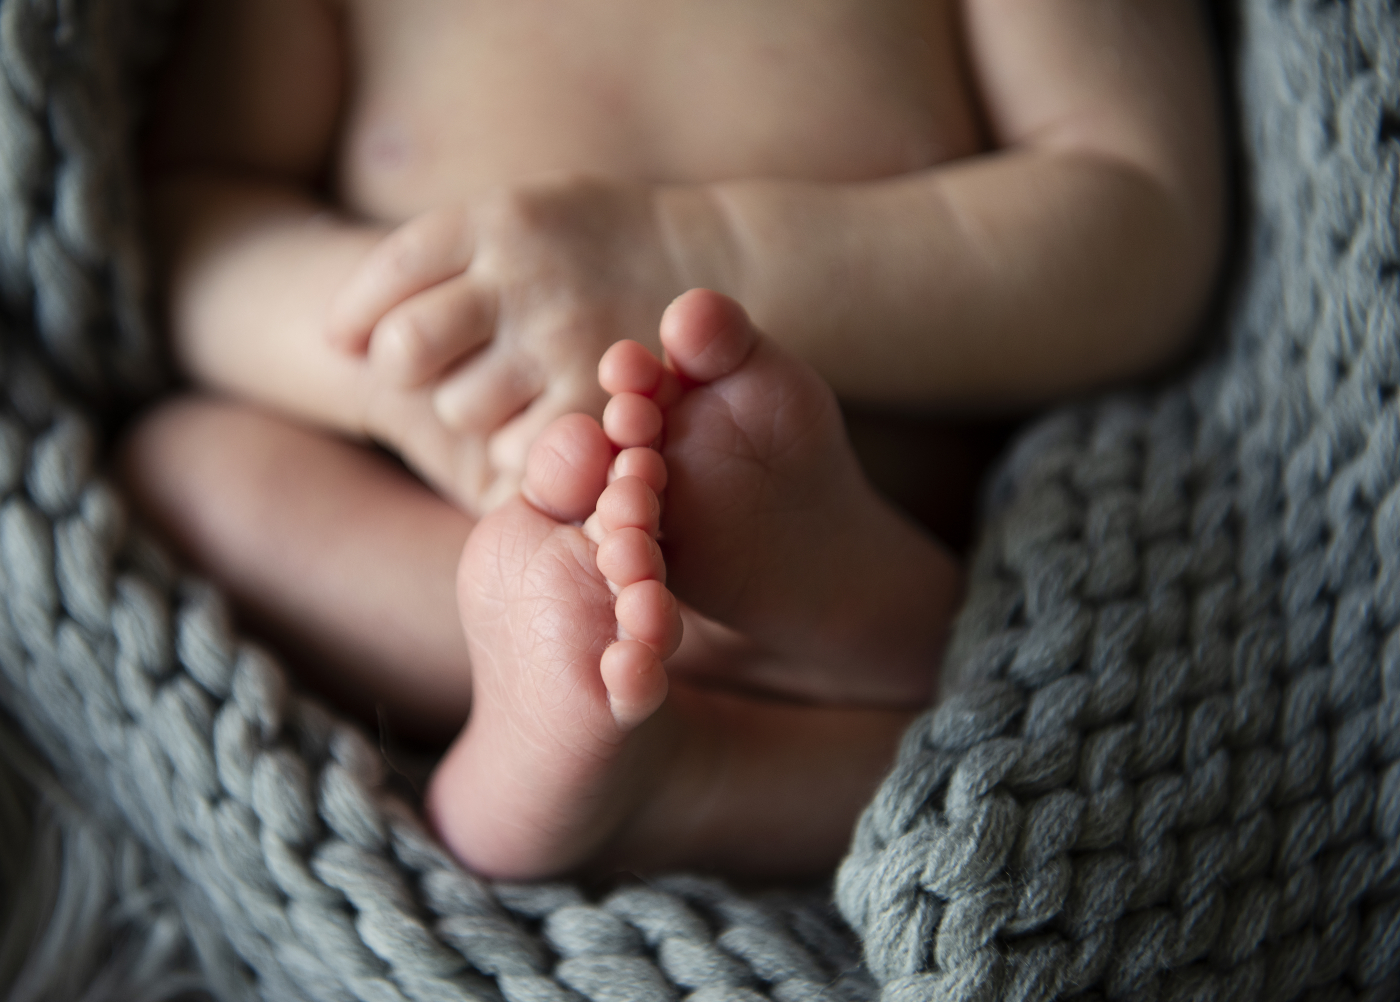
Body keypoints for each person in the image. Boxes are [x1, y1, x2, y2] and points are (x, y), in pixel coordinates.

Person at [120, 0, 1225, 878]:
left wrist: (694, 252)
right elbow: (195, 225)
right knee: (188, 477)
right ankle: (624, 688)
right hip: (458, 509)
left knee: (1081, 721)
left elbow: (1143, 213)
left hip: (885, 527)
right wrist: (394, 372)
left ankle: (798, 675)